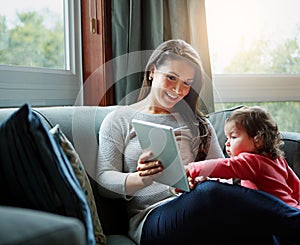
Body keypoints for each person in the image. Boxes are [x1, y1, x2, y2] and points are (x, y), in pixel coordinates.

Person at [96, 39, 300, 244]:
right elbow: (104, 181)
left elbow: (225, 180)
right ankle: (294, 219)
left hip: (202, 211)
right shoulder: (119, 120)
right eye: (171, 77)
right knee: (208, 194)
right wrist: (141, 179)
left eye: (187, 83)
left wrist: (200, 180)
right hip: (152, 220)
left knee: (256, 227)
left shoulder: (198, 123)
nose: (178, 89)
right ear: (152, 71)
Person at [186, 106, 300, 209]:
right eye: (227, 138)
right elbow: (296, 187)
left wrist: (192, 168)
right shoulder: (278, 160)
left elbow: (224, 166)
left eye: (233, 137)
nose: (227, 143)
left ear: (258, 140)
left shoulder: (252, 161)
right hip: (291, 210)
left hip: (276, 217)